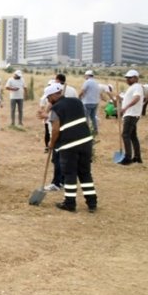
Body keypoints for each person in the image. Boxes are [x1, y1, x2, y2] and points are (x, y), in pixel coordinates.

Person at [45, 83, 96, 212]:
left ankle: (70, 203)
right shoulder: (77, 102)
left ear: (52, 96)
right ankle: (92, 203)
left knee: (69, 173)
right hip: (86, 141)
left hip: (69, 145)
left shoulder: (56, 109)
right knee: (85, 173)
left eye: (48, 98)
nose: (48, 100)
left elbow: (55, 129)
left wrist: (51, 144)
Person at [118, 69, 144, 165]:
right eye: (127, 78)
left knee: (125, 135)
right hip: (131, 114)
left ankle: (128, 158)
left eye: (130, 78)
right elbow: (127, 98)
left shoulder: (137, 86)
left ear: (136, 78)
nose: (127, 79)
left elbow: (136, 98)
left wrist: (125, 108)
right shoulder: (133, 87)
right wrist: (120, 98)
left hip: (131, 114)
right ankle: (137, 157)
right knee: (133, 136)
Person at [79, 70, 100, 135]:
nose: (85, 77)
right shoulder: (96, 82)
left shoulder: (87, 82)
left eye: (85, 76)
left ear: (87, 75)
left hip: (87, 102)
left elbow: (82, 91)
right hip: (95, 102)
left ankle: (86, 132)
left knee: (86, 117)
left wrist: (79, 97)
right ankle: (95, 130)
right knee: (93, 117)